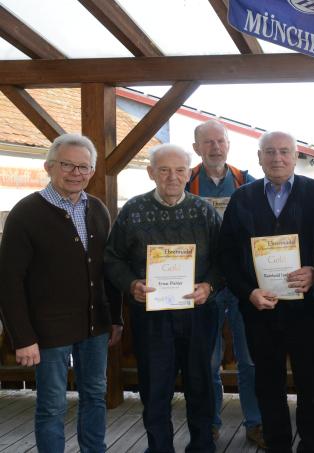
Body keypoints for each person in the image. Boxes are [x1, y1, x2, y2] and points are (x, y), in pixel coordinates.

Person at [0, 133, 122, 453]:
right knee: (52, 404)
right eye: (67, 165)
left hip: (94, 326)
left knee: (95, 396)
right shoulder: (26, 213)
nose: (76, 173)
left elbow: (107, 270)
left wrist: (116, 318)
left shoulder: (97, 209)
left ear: (92, 171)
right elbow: (8, 281)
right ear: (49, 167)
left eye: (84, 167)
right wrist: (22, 337)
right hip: (47, 331)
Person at [105, 144, 221, 453]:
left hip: (198, 314)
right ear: (151, 173)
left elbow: (225, 259)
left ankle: (202, 446)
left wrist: (209, 286)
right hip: (151, 316)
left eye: (180, 170)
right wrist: (131, 285)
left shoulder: (204, 211)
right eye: (164, 170)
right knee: (155, 388)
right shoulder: (133, 210)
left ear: (188, 172)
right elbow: (112, 258)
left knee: (201, 384)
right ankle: (159, 447)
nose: (173, 177)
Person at [219, 131, 314, 452]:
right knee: (268, 386)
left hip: (307, 311)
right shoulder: (243, 197)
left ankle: (312, 445)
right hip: (260, 311)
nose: (277, 158)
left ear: (296, 157)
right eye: (270, 152)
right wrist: (248, 292)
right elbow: (226, 253)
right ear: (259, 157)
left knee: (310, 386)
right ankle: (278, 445)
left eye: (284, 152)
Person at [187, 119, 263, 447]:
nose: (215, 147)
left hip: (243, 282)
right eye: (208, 142)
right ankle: (211, 423)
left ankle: (256, 422)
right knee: (208, 359)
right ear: (196, 148)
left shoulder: (248, 182)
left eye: (220, 141)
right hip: (203, 284)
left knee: (250, 358)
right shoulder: (185, 180)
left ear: (229, 145)